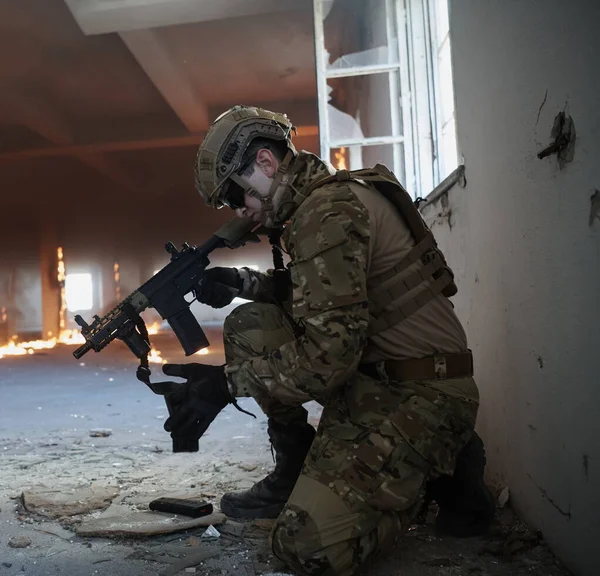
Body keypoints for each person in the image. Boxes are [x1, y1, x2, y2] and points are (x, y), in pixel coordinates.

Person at [159, 105, 495, 576]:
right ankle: (297, 468)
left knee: (304, 548)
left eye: (236, 195)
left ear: (266, 164)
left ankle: (441, 474)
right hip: (374, 378)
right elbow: (326, 296)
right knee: (250, 324)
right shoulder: (317, 205)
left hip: (421, 394)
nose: (239, 212)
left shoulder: (327, 211)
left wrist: (223, 384)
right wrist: (243, 282)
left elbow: (327, 357)